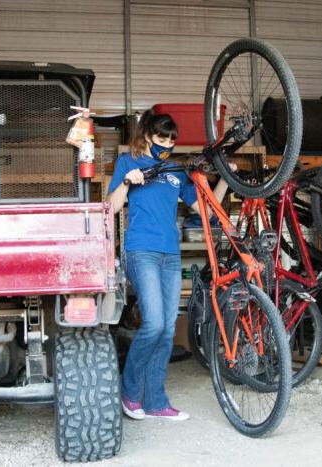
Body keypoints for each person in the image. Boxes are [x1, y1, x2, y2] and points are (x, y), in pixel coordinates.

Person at [107, 109, 233, 421]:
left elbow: (206, 210)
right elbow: (110, 207)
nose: (167, 142)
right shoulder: (129, 162)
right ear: (148, 135)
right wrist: (126, 182)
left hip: (170, 255)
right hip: (141, 251)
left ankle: (156, 401)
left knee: (165, 331)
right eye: (162, 136)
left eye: (172, 138)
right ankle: (129, 391)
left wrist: (227, 181)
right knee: (154, 324)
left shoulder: (176, 170)